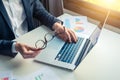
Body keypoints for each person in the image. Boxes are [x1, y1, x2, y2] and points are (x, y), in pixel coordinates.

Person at [0, 0, 77, 58]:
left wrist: (56, 25)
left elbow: (39, 11)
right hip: (5, 53)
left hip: (32, 44)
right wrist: (14, 46)